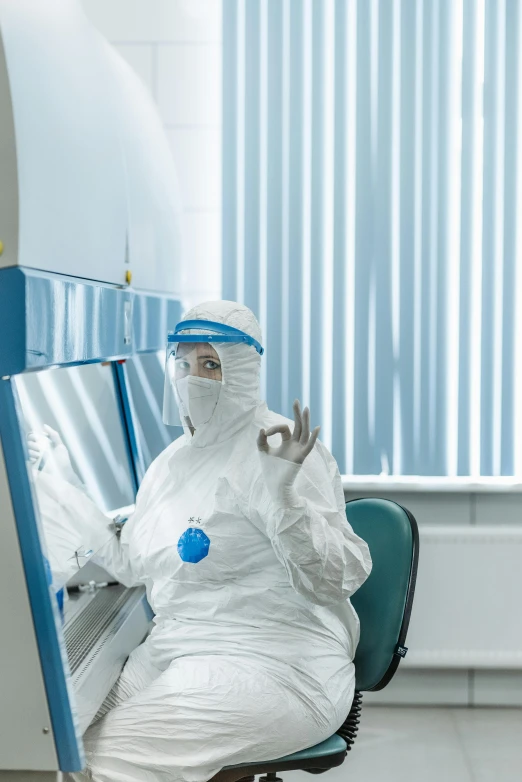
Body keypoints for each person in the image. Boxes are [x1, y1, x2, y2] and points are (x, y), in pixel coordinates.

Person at [68, 300, 372, 782]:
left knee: (108, 763)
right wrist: (59, 489)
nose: (194, 378)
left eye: (211, 365)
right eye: (184, 363)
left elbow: (336, 579)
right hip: (179, 645)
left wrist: (283, 497)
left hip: (276, 660)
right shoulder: (171, 462)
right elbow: (134, 562)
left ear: (242, 371)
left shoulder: (282, 449)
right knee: (65, 738)